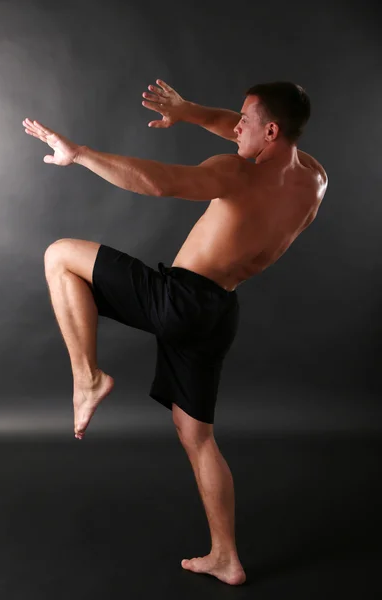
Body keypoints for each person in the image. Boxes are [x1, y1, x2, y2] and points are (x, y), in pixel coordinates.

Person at [22, 78, 328, 586]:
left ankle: (88, 377)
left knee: (59, 256)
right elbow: (235, 125)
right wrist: (188, 111)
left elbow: (158, 181)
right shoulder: (313, 178)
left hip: (180, 299)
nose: (234, 130)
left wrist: (79, 154)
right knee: (198, 437)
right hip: (219, 312)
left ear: (270, 131)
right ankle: (226, 557)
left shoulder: (235, 174)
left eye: (246, 122)